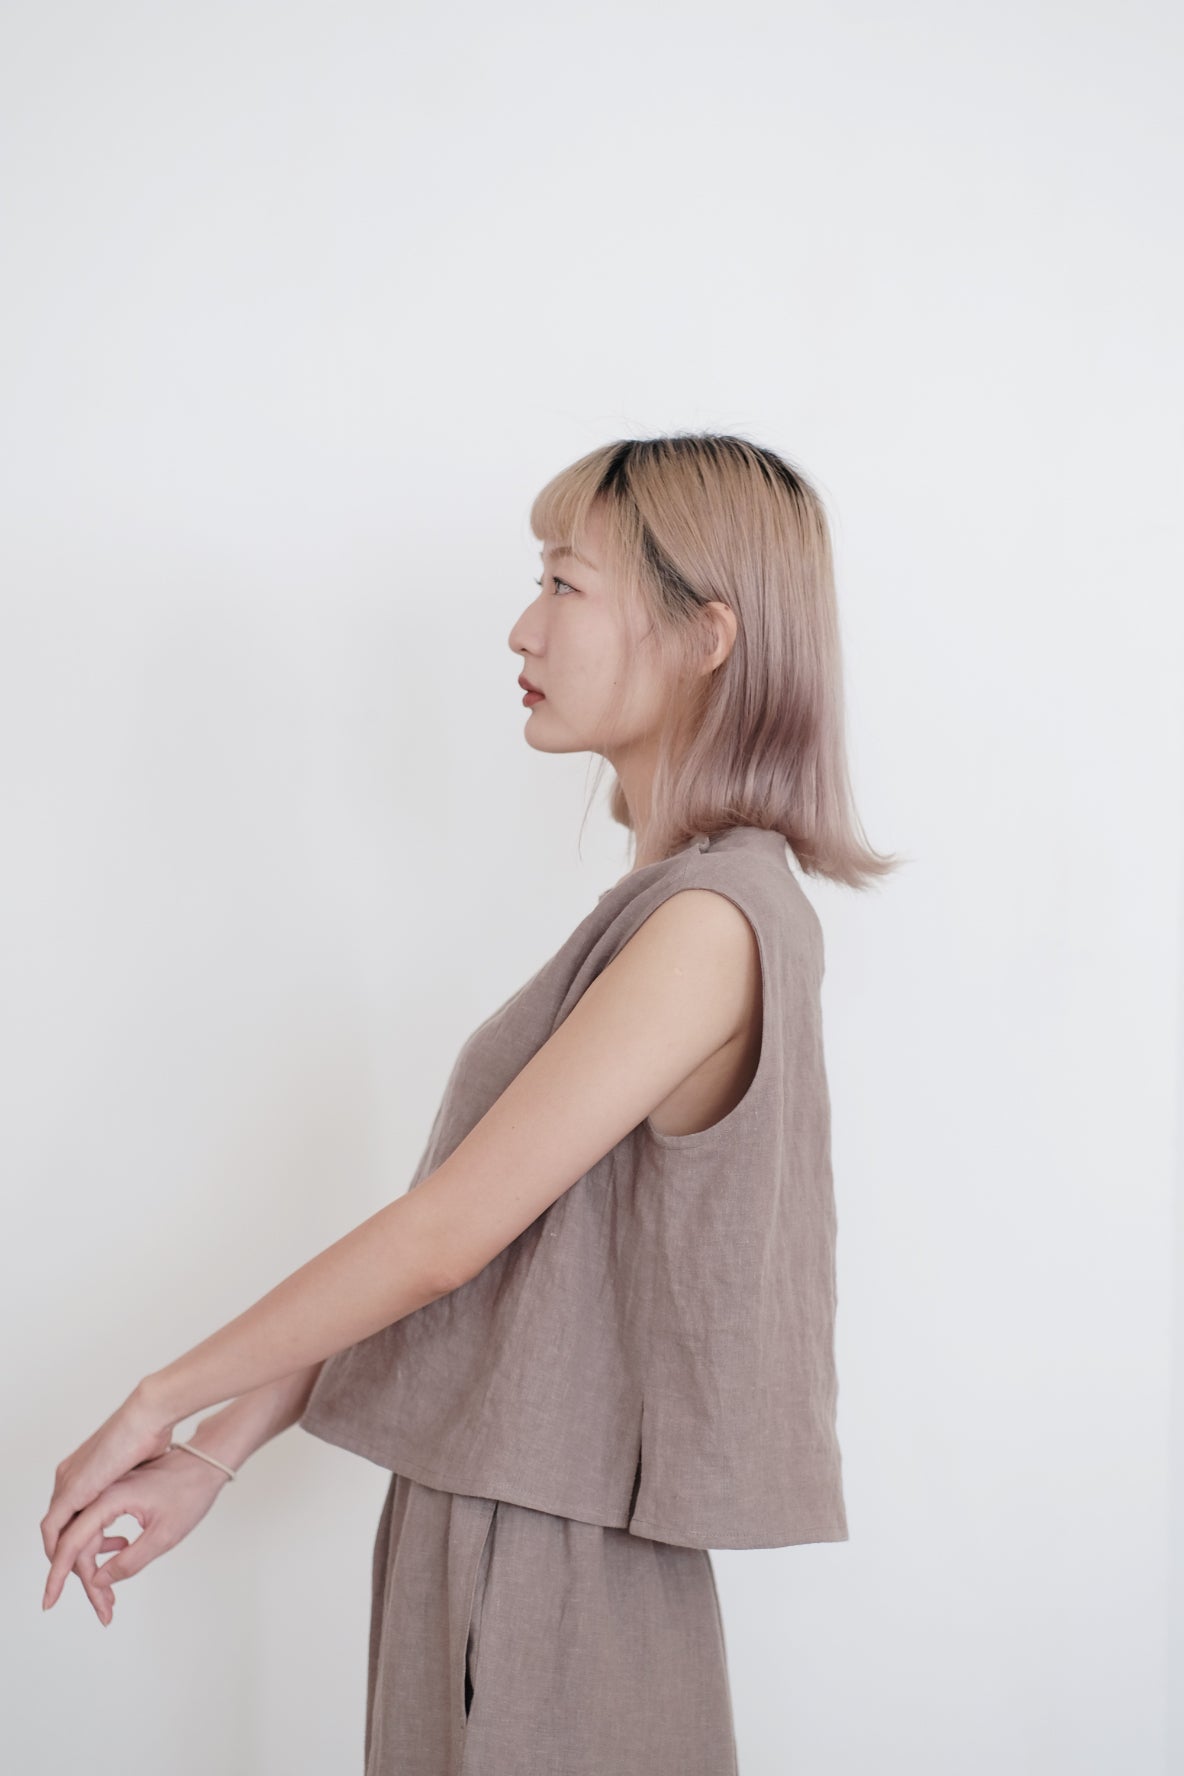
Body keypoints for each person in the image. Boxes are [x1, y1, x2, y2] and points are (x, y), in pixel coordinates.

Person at [41, 432, 901, 1771]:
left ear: (706, 635)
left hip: (549, 1565)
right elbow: (458, 1238)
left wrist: (161, 1399)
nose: (523, 624)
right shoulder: (670, 914)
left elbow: (444, 1238)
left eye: (564, 583)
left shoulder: (709, 925)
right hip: (502, 1536)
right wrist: (215, 1449)